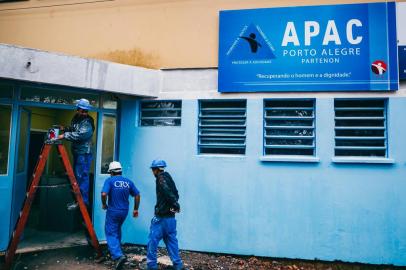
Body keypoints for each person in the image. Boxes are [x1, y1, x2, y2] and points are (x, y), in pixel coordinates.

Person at [102, 161, 141, 270]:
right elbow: (137, 194)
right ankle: (116, 249)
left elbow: (104, 194)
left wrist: (104, 204)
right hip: (124, 211)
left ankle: (118, 256)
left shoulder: (109, 181)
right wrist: (136, 209)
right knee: (117, 229)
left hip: (113, 211)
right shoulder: (128, 182)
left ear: (111, 172)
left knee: (110, 231)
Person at [57, 98, 95, 210]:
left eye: (86, 111)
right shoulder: (76, 118)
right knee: (76, 177)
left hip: (84, 152)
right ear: (77, 109)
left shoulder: (88, 121)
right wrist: (64, 128)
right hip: (78, 152)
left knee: (82, 177)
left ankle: (83, 202)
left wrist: (64, 135)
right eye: (82, 110)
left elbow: (81, 135)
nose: (84, 113)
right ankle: (77, 200)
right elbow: (74, 129)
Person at [146, 159, 184, 270]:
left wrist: (174, 203)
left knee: (152, 241)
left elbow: (167, 191)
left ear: (156, 169)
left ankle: (151, 266)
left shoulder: (160, 178)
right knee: (172, 241)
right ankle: (178, 265)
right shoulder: (169, 177)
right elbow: (176, 193)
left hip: (161, 218)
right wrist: (174, 205)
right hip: (171, 218)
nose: (152, 172)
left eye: (153, 169)